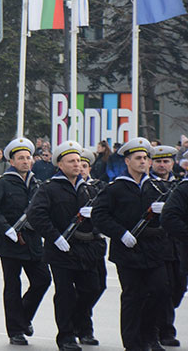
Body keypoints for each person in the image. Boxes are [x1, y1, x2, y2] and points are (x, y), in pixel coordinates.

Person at [92, 137, 170, 351]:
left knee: (160, 291)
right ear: (127, 161)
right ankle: (133, 343)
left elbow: (174, 216)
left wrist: (165, 213)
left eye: (145, 158)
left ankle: (150, 336)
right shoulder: (116, 188)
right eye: (138, 158)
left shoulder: (157, 187)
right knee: (133, 297)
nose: (143, 162)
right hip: (128, 251)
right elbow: (100, 215)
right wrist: (121, 233)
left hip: (154, 249)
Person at [27, 142, 103, 351]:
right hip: (60, 250)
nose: (77, 165)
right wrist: (55, 237)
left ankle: (79, 324)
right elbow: (36, 215)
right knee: (65, 294)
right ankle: (66, 337)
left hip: (86, 248)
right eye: (71, 161)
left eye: (79, 161)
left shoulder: (89, 188)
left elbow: (104, 214)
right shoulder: (49, 188)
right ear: (60, 164)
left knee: (92, 288)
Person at [0, 137, 50, 346]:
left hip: (33, 241)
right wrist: (6, 228)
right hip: (10, 241)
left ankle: (23, 318)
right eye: (21, 158)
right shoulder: (3, 182)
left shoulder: (37, 184)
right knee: (12, 286)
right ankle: (15, 331)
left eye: (28, 157)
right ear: (12, 161)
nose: (26, 161)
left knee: (43, 280)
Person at [149, 145, 184, 347]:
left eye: (166, 161)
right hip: (156, 244)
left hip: (176, 245)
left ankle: (163, 325)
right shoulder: (148, 185)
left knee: (178, 288)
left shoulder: (179, 186)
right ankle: (163, 330)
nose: (162, 165)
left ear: (173, 163)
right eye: (159, 161)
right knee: (162, 289)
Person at [72, 148, 107, 346]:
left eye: (84, 166)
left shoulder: (98, 187)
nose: (81, 169)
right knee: (84, 287)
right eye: (78, 165)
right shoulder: (67, 187)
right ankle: (85, 329)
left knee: (98, 286)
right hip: (74, 243)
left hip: (94, 242)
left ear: (89, 168)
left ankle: (77, 316)